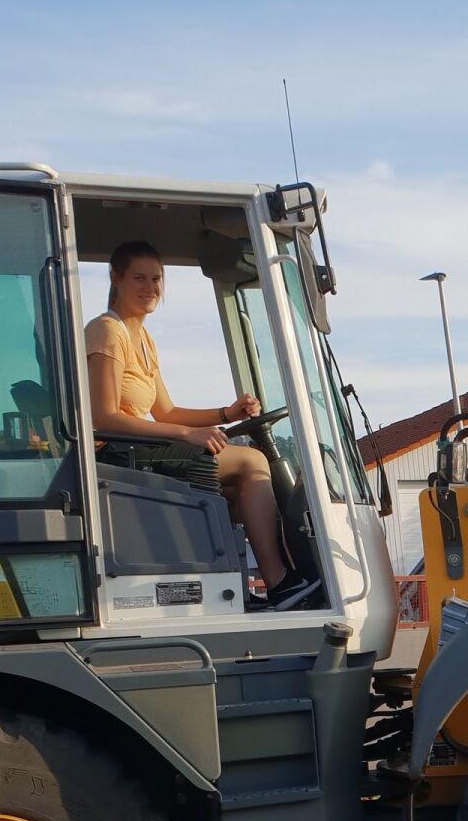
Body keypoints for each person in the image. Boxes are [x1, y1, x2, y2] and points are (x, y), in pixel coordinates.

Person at [85, 240, 321, 610]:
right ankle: (280, 583)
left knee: (236, 490)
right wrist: (187, 435)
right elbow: (104, 417)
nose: (150, 288)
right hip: (116, 456)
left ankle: (239, 585)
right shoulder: (107, 331)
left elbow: (165, 412)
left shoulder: (142, 338)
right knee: (252, 463)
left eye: (156, 279)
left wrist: (226, 414)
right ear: (116, 278)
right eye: (139, 278)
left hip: (136, 449)